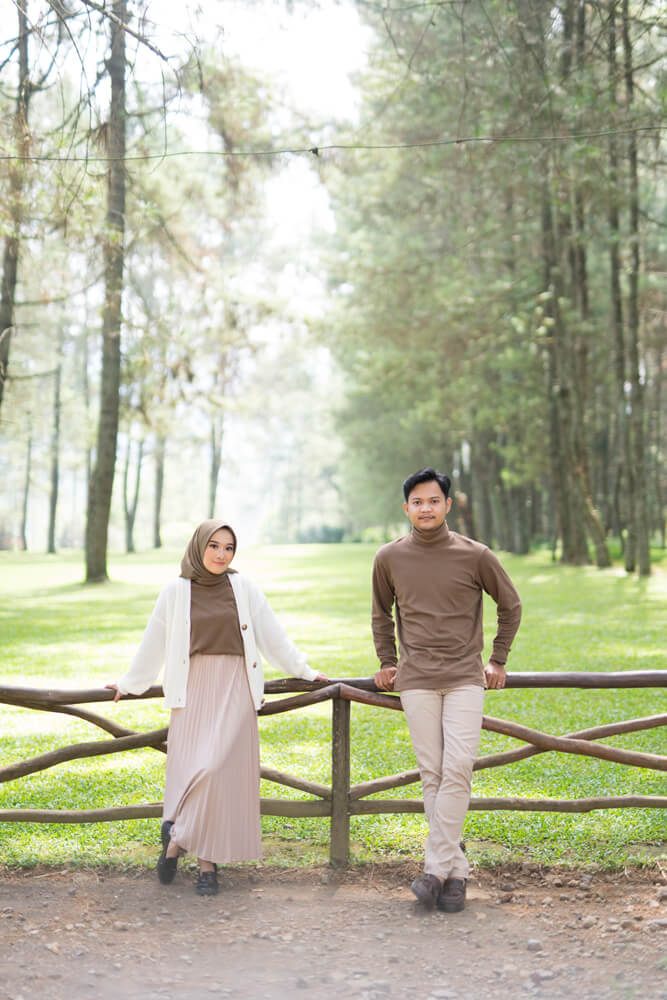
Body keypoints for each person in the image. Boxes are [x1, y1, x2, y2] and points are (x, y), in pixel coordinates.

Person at [107, 519, 327, 896]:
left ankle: (178, 841)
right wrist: (129, 684)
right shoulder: (175, 591)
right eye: (214, 546)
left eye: (229, 548)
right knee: (198, 772)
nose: (222, 555)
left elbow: (272, 636)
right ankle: (205, 865)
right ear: (198, 547)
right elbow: (154, 642)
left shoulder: (243, 588)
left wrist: (304, 671)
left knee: (217, 773)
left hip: (235, 689)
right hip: (192, 691)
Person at [372, 468, 521, 913]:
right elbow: (381, 614)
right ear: (406, 508)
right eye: (417, 502)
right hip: (415, 679)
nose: (426, 508)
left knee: (457, 767)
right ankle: (455, 875)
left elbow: (511, 605)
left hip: (464, 678)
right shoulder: (388, 557)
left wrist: (498, 659)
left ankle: (434, 871)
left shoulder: (476, 555)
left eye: (434, 500)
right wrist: (387, 661)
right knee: (432, 774)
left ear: (447, 505)